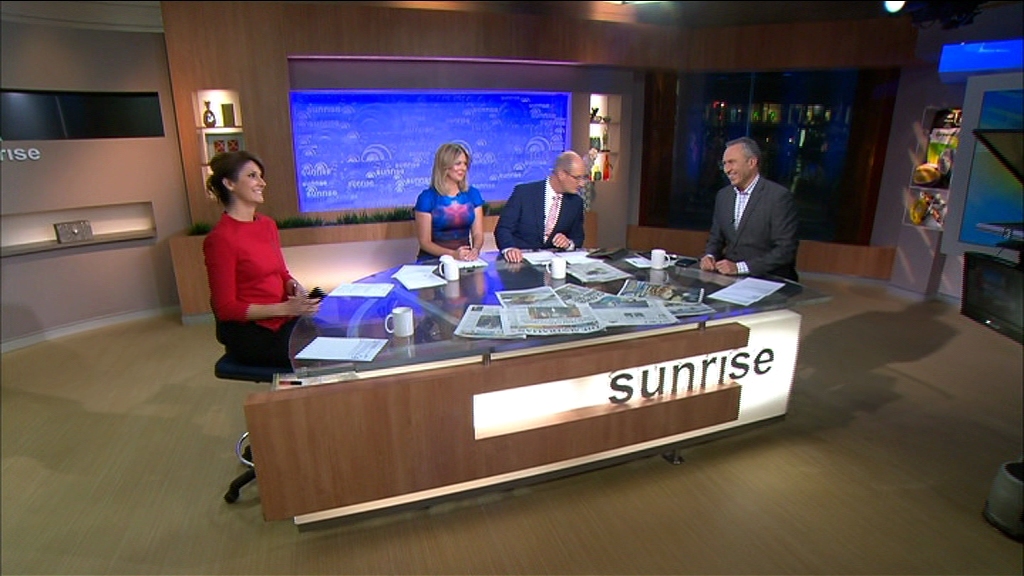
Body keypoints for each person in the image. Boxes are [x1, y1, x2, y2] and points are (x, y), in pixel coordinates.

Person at [203, 150, 321, 369]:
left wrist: (294, 286)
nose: (262, 183)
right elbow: (226, 308)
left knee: (337, 332)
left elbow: (282, 273)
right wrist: (286, 308)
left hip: (284, 320)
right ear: (229, 183)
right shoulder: (220, 239)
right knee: (324, 353)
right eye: (252, 176)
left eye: (261, 176)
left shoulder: (267, 225)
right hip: (253, 334)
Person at [700, 136, 800, 282]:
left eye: (732, 162)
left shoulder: (778, 197)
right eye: (724, 164)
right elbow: (715, 238)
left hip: (767, 278)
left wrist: (740, 268)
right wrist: (709, 256)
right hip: (729, 278)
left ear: (752, 162)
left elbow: (785, 250)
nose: (727, 170)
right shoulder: (723, 196)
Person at [494, 150, 587, 264]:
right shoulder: (524, 193)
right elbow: (503, 229)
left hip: (555, 265)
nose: (582, 183)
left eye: (584, 178)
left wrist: (568, 243)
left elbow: (578, 238)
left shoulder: (576, 203)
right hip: (520, 264)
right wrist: (509, 248)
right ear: (561, 174)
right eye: (577, 178)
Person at [414, 143, 485, 262]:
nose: (463, 168)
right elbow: (425, 242)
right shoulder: (427, 198)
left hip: (464, 260)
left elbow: (478, 233)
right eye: (458, 163)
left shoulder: (473, 194)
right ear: (444, 166)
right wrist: (453, 254)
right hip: (433, 261)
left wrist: (475, 250)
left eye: (465, 164)